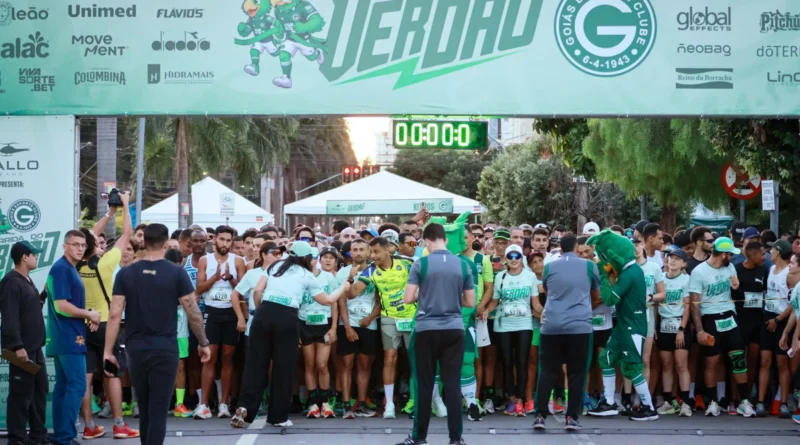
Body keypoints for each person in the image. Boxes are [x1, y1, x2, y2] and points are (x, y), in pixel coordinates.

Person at [105, 224, 211, 445]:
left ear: (143, 243)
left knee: (144, 408)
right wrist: (203, 342)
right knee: (158, 409)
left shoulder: (126, 273)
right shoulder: (176, 273)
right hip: (165, 347)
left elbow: (115, 314)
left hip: (135, 348)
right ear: (165, 244)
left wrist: (108, 351)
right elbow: (192, 311)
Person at [231, 242, 350, 428]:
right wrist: (343, 287)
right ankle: (278, 417)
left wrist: (260, 308)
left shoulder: (274, 265)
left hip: (264, 313)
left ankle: (245, 407)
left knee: (255, 364)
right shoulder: (307, 275)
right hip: (287, 317)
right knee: (283, 367)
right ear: (306, 258)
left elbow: (257, 290)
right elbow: (327, 300)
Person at [397, 223, 475, 445]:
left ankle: (419, 437)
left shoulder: (421, 264)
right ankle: (455, 438)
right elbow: (470, 301)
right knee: (452, 384)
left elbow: (408, 298)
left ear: (426, 241)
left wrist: (425, 293)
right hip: (453, 328)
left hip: (426, 329)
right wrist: (452, 298)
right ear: (445, 240)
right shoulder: (463, 264)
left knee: (424, 384)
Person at [77, 192, 137, 440]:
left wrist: (108, 214)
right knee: (112, 373)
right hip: (104, 326)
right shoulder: (107, 263)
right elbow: (126, 235)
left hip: (81, 324)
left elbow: (87, 237)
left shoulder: (75, 263)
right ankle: (119, 424)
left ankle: (89, 426)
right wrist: (123, 206)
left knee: (86, 378)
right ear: (96, 246)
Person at [533, 234, 599, 431]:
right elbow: (596, 294)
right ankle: (572, 417)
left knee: (547, 372)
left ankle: (539, 415)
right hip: (579, 326)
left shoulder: (549, 267)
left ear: (559, 248)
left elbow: (547, 289)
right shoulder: (589, 266)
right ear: (577, 247)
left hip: (552, 325)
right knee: (577, 373)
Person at [689, 237, 756, 417]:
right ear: (723, 254)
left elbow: (736, 293)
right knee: (711, 361)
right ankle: (713, 402)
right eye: (730, 254)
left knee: (739, 359)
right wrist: (700, 330)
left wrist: (736, 287)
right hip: (710, 318)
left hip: (730, 316)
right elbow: (694, 304)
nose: (733, 258)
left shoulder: (730, 267)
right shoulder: (699, 272)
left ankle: (743, 401)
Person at [350, 236, 416, 419]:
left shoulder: (408, 263)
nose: (373, 255)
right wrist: (349, 279)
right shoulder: (371, 270)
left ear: (389, 250)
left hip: (412, 317)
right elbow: (353, 293)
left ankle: (419, 401)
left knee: (415, 360)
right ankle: (389, 405)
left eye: (376, 251)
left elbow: (425, 270)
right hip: (388, 318)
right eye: (371, 252)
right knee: (389, 358)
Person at [47, 230, 101, 445]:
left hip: (66, 335)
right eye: (75, 244)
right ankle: (66, 436)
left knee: (63, 386)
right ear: (65, 246)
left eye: (82, 244)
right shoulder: (62, 269)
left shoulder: (68, 268)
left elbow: (67, 304)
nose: (80, 248)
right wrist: (88, 313)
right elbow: (61, 306)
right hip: (68, 337)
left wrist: (86, 313)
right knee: (78, 384)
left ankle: (62, 435)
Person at [194, 225, 246, 419]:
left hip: (231, 313)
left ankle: (224, 403)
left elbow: (243, 290)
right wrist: (215, 277)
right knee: (209, 357)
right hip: (212, 313)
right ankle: (204, 404)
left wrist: (230, 278)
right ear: (214, 239)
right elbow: (199, 289)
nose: (225, 244)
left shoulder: (238, 261)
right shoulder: (204, 260)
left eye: (228, 240)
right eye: (222, 239)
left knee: (227, 358)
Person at [481, 244, 538, 417]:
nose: (514, 259)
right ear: (506, 258)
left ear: (521, 259)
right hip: (503, 324)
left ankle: (520, 400)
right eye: (510, 256)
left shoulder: (530, 276)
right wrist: (485, 310)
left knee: (522, 361)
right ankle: (512, 399)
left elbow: (535, 302)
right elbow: (495, 301)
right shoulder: (500, 277)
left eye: (517, 256)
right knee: (506, 362)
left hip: (524, 323)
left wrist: (544, 312)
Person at [1, 241, 47, 445]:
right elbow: (10, 317)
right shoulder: (11, 282)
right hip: (23, 349)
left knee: (39, 391)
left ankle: (38, 435)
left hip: (35, 348)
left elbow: (29, 309)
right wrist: (17, 346)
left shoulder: (26, 280)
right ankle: (17, 438)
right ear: (24, 257)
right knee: (21, 394)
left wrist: (43, 295)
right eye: (33, 254)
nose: (36, 257)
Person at [336, 238, 380, 419]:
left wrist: (370, 318)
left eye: (362, 249)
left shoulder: (375, 272)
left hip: (369, 324)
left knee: (365, 365)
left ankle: (361, 403)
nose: (359, 252)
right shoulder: (342, 273)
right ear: (350, 253)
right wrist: (347, 327)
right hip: (348, 324)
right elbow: (340, 301)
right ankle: (346, 405)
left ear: (369, 251)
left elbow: (380, 300)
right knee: (346, 365)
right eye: (355, 249)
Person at [298, 247, 340, 419]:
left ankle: (325, 401)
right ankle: (313, 402)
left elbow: (334, 302)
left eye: (314, 257)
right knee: (310, 364)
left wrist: (334, 328)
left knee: (322, 364)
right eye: (310, 257)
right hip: (304, 322)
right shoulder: (299, 277)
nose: (312, 260)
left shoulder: (328, 277)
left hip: (325, 323)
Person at [756, 239, 794, 417]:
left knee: (782, 364)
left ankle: (784, 403)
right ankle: (761, 402)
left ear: (778, 252)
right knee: (764, 361)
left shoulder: (789, 272)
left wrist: (778, 320)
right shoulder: (771, 269)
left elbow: (794, 303)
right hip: (767, 318)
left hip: (782, 321)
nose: (769, 252)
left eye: (771, 249)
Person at [655, 246, 693, 417]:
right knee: (666, 365)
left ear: (684, 263)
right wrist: (654, 327)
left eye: (677, 258)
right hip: (663, 326)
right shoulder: (661, 278)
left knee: (681, 364)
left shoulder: (686, 280)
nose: (673, 260)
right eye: (670, 257)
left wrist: (681, 330)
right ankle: (668, 402)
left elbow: (687, 307)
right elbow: (656, 304)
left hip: (679, 325)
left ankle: (685, 403)